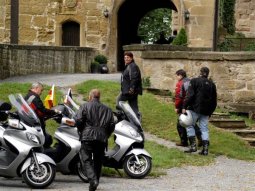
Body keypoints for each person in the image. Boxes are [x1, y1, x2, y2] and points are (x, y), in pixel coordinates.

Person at [74, 89, 115, 191]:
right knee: (98, 161)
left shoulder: (84, 106)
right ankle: (95, 181)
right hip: (101, 138)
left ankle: (93, 180)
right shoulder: (107, 109)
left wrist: (82, 130)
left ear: (90, 96)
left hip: (87, 136)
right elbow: (112, 125)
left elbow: (78, 120)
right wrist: (106, 134)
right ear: (99, 97)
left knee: (86, 159)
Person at [182, 67, 217, 155]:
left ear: (200, 72)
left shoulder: (194, 81)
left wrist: (184, 106)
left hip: (194, 108)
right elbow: (214, 101)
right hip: (206, 110)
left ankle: (193, 147)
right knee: (204, 129)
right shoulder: (212, 84)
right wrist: (210, 112)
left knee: (190, 125)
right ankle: (205, 150)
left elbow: (190, 95)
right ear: (208, 73)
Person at [24, 82, 57, 148]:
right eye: (41, 90)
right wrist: (54, 111)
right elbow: (43, 110)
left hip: (29, 120)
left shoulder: (29, 95)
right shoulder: (34, 97)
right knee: (43, 137)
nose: (41, 92)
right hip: (36, 122)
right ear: (36, 88)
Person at [174, 69, 202, 147]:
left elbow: (179, 97)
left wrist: (177, 107)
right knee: (192, 122)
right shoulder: (191, 81)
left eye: (177, 75)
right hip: (193, 105)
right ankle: (201, 138)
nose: (176, 77)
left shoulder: (180, 83)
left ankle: (184, 142)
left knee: (181, 123)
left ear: (180, 75)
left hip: (184, 105)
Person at [116, 51, 142, 119]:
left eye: (128, 57)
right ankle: (136, 120)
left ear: (131, 58)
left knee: (119, 101)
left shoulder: (132, 66)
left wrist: (131, 89)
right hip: (130, 91)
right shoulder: (129, 66)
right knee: (133, 106)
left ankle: (120, 117)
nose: (126, 59)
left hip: (129, 91)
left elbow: (134, 78)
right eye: (125, 57)